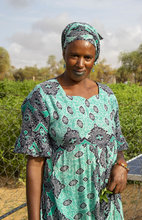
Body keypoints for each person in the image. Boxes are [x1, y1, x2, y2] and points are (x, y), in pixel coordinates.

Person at [14, 22, 128, 219]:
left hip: (106, 208)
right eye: (74, 55)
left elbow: (117, 145)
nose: (80, 64)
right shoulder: (44, 96)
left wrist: (121, 165)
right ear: (64, 53)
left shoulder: (108, 97)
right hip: (63, 208)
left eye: (87, 57)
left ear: (96, 58)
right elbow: (35, 163)